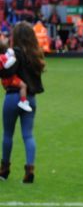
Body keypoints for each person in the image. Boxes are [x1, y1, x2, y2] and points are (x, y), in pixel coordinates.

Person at [0, 22, 45, 183]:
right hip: (30, 99)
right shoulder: (35, 54)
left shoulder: (14, 53)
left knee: (7, 134)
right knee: (28, 135)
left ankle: (4, 170)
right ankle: (29, 170)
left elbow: (6, 70)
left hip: (13, 96)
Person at [0, 43, 31, 112]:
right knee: (24, 86)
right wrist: (13, 58)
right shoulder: (2, 57)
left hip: (4, 80)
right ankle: (23, 101)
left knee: (7, 88)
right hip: (11, 79)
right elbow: (7, 65)